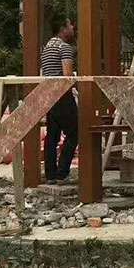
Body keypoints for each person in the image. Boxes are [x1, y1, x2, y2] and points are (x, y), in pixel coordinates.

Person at [41, 15, 77, 184]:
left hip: (49, 95)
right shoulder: (64, 47)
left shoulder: (47, 47)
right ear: (63, 28)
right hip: (62, 95)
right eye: (70, 25)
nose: (73, 28)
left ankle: (50, 174)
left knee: (52, 136)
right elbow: (67, 75)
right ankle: (62, 172)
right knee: (75, 133)